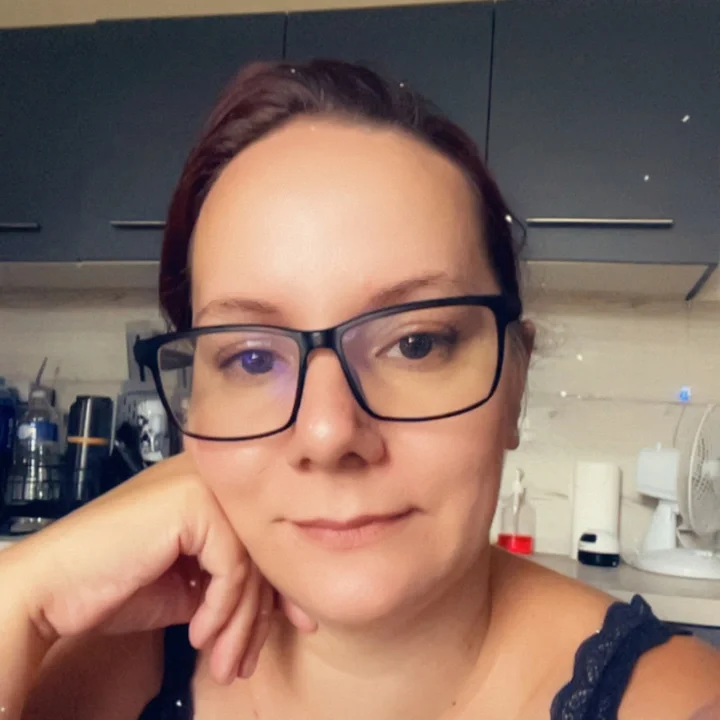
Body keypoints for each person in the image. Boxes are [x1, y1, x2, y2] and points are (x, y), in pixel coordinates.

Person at [1, 59, 719, 720]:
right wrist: (15, 596)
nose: (327, 434)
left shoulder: (674, 703)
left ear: (516, 382)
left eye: (415, 344)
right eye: (251, 358)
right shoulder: (92, 665)